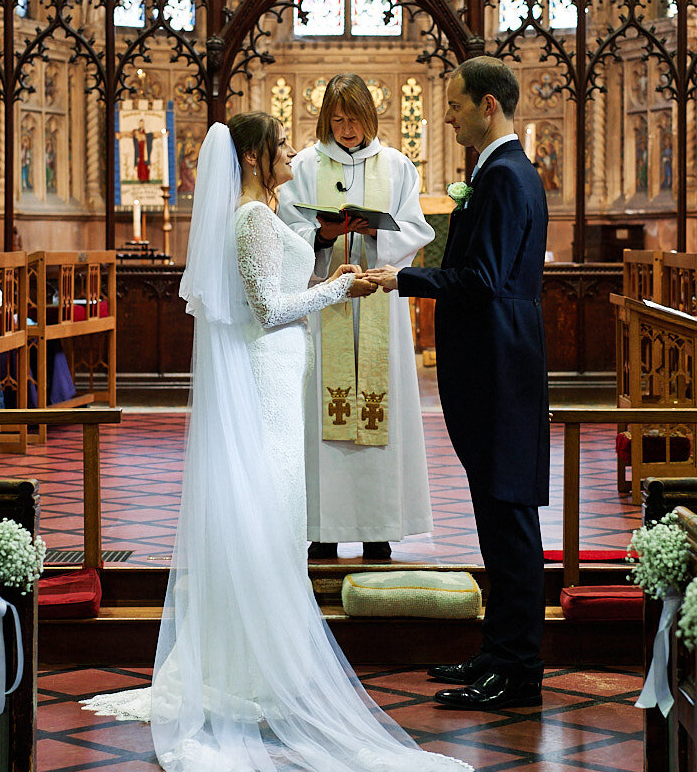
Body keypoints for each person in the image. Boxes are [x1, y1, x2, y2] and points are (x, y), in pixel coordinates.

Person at [82, 115, 466, 771]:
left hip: (282, 375)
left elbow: (275, 296)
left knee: (278, 519)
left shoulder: (261, 212)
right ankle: (249, 669)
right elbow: (267, 308)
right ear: (259, 157)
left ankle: (252, 660)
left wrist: (323, 287)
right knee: (266, 517)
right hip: (266, 378)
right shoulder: (252, 220)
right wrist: (340, 288)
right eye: (283, 146)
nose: (294, 153)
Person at [369, 56, 549, 711]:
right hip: (498, 358)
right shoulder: (500, 172)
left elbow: (482, 280)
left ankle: (519, 669)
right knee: (497, 514)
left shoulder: (503, 176)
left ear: (489, 107)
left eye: (455, 103)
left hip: (499, 363)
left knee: (509, 518)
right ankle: (498, 650)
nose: (446, 114)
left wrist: (403, 278)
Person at [276, 72, 435, 562]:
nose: (347, 128)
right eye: (338, 118)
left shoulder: (398, 166)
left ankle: (377, 530)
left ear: (371, 116)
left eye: (355, 118)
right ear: (327, 118)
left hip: (379, 306)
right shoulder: (303, 166)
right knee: (321, 414)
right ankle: (322, 529)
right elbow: (285, 234)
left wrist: (373, 233)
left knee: (379, 411)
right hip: (324, 311)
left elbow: (415, 229)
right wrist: (322, 237)